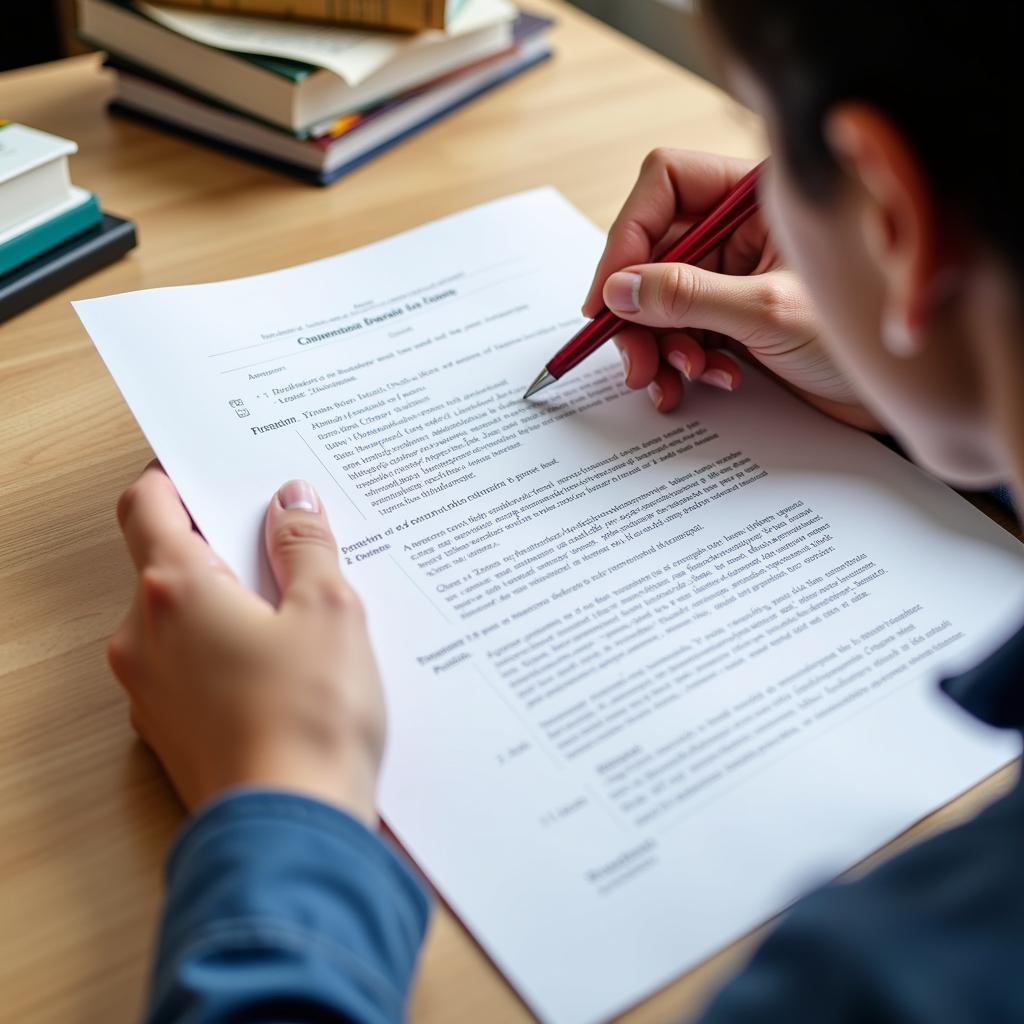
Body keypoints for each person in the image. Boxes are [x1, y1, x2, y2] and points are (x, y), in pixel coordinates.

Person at [111, 2, 1024, 1021]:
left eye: (767, 143)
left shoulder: (880, 980)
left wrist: (280, 798)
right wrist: (949, 395)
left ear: (895, 217)